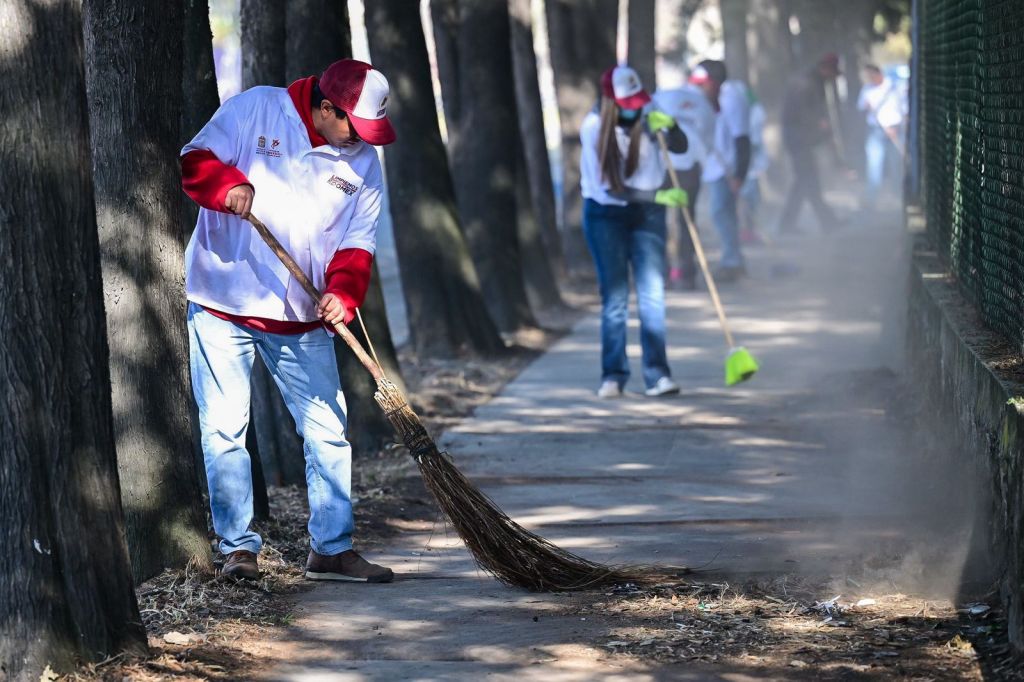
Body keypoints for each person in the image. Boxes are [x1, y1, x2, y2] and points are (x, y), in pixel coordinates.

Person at [180, 58, 395, 583]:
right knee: (225, 429)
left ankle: (331, 548)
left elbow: (357, 241)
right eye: (353, 127)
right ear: (326, 108)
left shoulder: (363, 161)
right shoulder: (258, 108)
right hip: (221, 300)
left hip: (300, 316)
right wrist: (225, 186)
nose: (359, 140)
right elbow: (195, 158)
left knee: (328, 431)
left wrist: (343, 293)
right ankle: (238, 549)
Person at [580, 64, 689, 399]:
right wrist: (660, 194)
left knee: (652, 293)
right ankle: (613, 375)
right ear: (612, 101)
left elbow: (681, 148)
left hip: (648, 215)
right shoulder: (594, 127)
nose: (635, 109)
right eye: (627, 104)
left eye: (637, 101)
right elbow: (611, 190)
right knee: (614, 297)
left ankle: (658, 375)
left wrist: (670, 127)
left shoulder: (649, 109)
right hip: (606, 214)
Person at [689, 60, 751, 282]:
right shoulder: (708, 99)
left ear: (714, 83)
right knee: (723, 213)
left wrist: (739, 174)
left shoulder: (731, 98)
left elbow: (742, 137)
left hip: (728, 167)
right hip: (714, 166)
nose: (699, 88)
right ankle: (733, 260)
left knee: (720, 212)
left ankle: (732, 261)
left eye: (703, 84)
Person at [652, 76, 716, 290]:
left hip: (674, 167)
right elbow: (708, 134)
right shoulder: (698, 102)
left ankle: (672, 273)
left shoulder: (660, 99)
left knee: (677, 220)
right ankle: (681, 273)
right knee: (684, 220)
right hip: (684, 166)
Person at [777, 53, 843, 234]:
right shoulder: (806, 83)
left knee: (803, 181)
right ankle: (827, 221)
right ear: (826, 69)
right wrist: (819, 124)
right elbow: (802, 112)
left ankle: (788, 224)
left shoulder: (813, 82)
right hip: (798, 139)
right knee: (808, 180)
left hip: (801, 138)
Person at [857, 64, 905, 210]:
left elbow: (904, 108)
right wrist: (866, 104)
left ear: (879, 74)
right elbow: (860, 106)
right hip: (875, 130)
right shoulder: (867, 89)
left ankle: (899, 198)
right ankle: (871, 200)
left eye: (872, 76)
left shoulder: (894, 87)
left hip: (894, 130)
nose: (871, 79)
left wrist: (896, 127)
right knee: (874, 166)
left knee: (896, 166)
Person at [739, 84, 770, 245]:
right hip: (744, 162)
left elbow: (755, 136)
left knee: (752, 197)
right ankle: (745, 230)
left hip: (751, 161)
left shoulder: (755, 111)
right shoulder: (748, 111)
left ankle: (749, 229)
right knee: (746, 197)